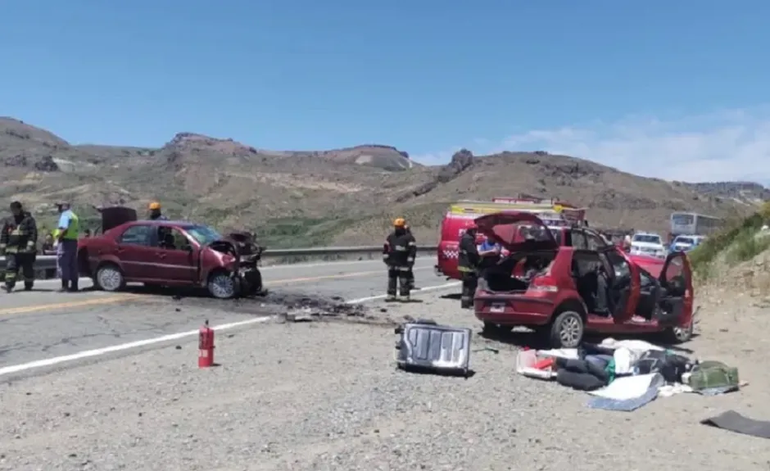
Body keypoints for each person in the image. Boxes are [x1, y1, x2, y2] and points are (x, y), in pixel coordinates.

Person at [0, 201, 38, 292]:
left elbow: (33, 233)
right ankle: (9, 285)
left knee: (27, 268)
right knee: (11, 267)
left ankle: (28, 285)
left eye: (15, 209)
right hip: (12, 248)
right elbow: (4, 233)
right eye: (12, 210)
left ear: (20, 209)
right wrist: (3, 245)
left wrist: (30, 244)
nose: (14, 211)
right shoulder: (9, 220)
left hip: (26, 250)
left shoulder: (28, 220)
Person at [382, 218, 416, 301]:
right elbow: (386, 247)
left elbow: (412, 249)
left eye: (399, 227)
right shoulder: (391, 237)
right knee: (391, 279)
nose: (398, 228)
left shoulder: (409, 238)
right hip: (392, 261)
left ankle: (404, 295)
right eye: (396, 226)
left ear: (403, 227)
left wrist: (410, 258)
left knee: (403, 279)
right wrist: (385, 255)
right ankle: (391, 295)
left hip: (403, 262)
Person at [55, 201, 80, 292]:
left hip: (65, 242)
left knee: (63, 263)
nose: (58, 208)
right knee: (72, 264)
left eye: (60, 206)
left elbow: (64, 228)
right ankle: (74, 285)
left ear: (64, 207)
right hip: (73, 241)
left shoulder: (65, 215)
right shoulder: (74, 216)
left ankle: (64, 285)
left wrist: (58, 237)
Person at [457, 223, 481, 308]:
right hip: (468, 265)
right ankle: (468, 303)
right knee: (470, 284)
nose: (476, 232)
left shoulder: (464, 238)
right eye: (475, 230)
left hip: (463, 264)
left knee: (466, 284)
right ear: (472, 230)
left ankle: (465, 303)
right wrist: (479, 259)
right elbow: (472, 252)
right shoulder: (468, 239)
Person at [403, 224, 419, 290]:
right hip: (402, 257)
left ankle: (410, 284)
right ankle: (406, 283)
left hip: (409, 257)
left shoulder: (410, 238)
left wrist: (411, 257)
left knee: (408, 270)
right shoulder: (401, 237)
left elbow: (413, 249)